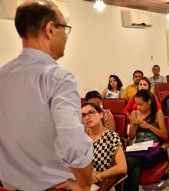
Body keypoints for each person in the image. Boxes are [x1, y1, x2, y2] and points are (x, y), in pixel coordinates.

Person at [0, 1, 93, 190]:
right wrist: (84, 185)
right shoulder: (58, 78)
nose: (66, 36)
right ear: (50, 29)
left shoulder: (2, 76)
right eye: (65, 28)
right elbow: (73, 143)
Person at [124, 89, 168, 191]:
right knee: (134, 169)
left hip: (152, 152)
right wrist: (134, 125)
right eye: (137, 104)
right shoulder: (134, 113)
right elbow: (131, 137)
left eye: (141, 104)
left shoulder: (158, 114)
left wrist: (149, 127)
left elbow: (165, 136)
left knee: (128, 163)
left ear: (149, 101)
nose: (138, 107)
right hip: (138, 149)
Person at [81, 102, 127, 185]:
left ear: (101, 114)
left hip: (102, 184)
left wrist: (98, 175)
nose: (87, 117)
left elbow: (122, 167)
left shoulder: (111, 137)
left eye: (91, 113)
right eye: (83, 115)